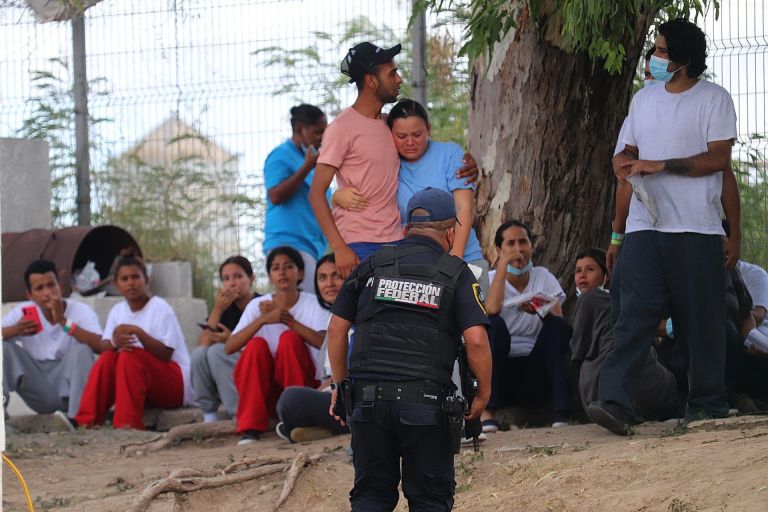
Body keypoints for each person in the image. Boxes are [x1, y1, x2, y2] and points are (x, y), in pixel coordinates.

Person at [591, 18, 738, 435]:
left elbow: (718, 161)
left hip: (697, 230)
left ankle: (708, 404)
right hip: (643, 229)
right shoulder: (643, 100)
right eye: (654, 50)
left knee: (703, 321)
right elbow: (626, 160)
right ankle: (615, 403)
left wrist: (663, 165)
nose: (652, 58)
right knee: (632, 318)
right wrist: (617, 232)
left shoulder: (715, 99)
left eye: (660, 51)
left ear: (684, 59)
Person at [326, 187, 492, 511]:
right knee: (430, 500)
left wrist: (339, 385)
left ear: (406, 229)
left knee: (371, 495)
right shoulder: (456, 273)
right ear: (450, 232)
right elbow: (476, 340)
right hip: (426, 404)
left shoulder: (371, 265)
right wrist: (483, 394)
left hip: (367, 402)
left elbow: (336, 330)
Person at [308, 42, 477, 278]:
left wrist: (467, 162)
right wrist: (339, 248)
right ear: (371, 80)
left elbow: (427, 149)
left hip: (398, 242)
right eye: (392, 73)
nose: (399, 79)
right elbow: (316, 193)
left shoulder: (390, 125)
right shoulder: (341, 128)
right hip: (359, 244)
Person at [332, 98, 490, 291]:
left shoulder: (449, 153)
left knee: (474, 319)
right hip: (417, 269)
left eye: (417, 134)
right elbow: (364, 188)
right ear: (390, 134)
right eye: (401, 136)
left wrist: (453, 261)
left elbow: (464, 208)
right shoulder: (388, 161)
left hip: (463, 260)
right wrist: (336, 196)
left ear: (429, 129)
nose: (410, 142)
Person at [224, 246, 331, 445]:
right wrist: (263, 320)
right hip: (268, 394)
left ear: (300, 273)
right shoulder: (258, 305)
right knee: (255, 345)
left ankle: (296, 418)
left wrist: (287, 320)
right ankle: (250, 428)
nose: (282, 272)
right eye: (275, 268)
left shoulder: (314, 303)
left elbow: (324, 343)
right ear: (270, 276)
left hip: (303, 389)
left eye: (288, 266)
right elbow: (229, 347)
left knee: (290, 340)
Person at [75, 251, 192, 430]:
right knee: (108, 358)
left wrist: (138, 333)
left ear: (146, 279)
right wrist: (115, 341)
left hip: (174, 386)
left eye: (135, 277)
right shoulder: (118, 310)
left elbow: (166, 355)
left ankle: (126, 425)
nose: (131, 283)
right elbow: (104, 346)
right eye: (125, 279)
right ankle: (86, 423)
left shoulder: (160, 308)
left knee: (130, 357)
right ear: (116, 284)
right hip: (140, 385)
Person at [482, 220, 574, 430]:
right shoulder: (489, 278)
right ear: (499, 249)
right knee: (493, 325)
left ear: (531, 246)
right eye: (510, 243)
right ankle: (487, 411)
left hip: (535, 371)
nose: (518, 249)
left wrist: (539, 309)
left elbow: (559, 321)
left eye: (523, 242)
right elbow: (491, 309)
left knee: (556, 327)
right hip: (502, 371)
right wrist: (503, 266)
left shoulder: (543, 276)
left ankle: (562, 412)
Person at [569, 249, 680, 420]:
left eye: (590, 269)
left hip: (604, 389)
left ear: (606, 277)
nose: (582, 275)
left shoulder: (589, 299)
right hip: (656, 386)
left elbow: (577, 351)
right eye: (578, 271)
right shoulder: (626, 299)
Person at [2, 259, 103, 429]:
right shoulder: (24, 312)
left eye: (51, 285)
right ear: (30, 295)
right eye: (39, 289)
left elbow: (100, 346)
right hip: (39, 387)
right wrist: (15, 330)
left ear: (60, 286)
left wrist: (65, 323)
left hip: (68, 387)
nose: (47, 293)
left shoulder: (80, 310)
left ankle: (79, 419)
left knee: (82, 349)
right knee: (3, 348)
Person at [275, 254, 348, 443]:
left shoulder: (359, 317)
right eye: (322, 278)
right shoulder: (332, 319)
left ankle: (336, 426)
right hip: (331, 395)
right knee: (288, 402)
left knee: (291, 399)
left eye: (336, 276)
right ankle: (326, 428)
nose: (329, 284)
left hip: (351, 395)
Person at [263, 104, 329, 292]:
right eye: (318, 132)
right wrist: (306, 167)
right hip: (289, 244)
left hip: (312, 247)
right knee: (304, 305)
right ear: (301, 129)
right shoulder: (281, 156)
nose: (322, 138)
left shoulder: (313, 159)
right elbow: (275, 195)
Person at [191, 256, 259, 423]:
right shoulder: (225, 309)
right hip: (225, 370)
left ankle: (238, 414)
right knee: (199, 354)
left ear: (251, 279)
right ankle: (209, 415)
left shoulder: (261, 304)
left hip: (253, 366)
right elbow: (203, 343)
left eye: (238, 276)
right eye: (226, 279)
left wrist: (232, 340)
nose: (232, 283)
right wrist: (218, 308)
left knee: (217, 351)